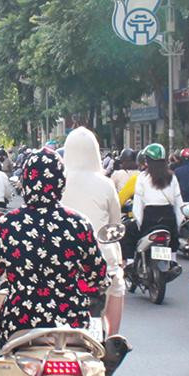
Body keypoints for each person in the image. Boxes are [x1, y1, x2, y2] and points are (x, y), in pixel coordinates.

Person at [0, 149, 110, 353]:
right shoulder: (79, 223)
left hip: (20, 323)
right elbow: (98, 275)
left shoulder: (9, 223)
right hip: (71, 324)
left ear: (26, 182)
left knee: (0, 360)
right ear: (61, 182)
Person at [61, 126, 125, 334]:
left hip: (65, 260)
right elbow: (114, 225)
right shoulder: (106, 184)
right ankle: (114, 338)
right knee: (117, 286)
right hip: (102, 260)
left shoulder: (58, 182)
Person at [131, 142, 184, 251]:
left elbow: (138, 206)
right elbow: (179, 204)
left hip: (149, 219)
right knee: (172, 248)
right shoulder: (172, 177)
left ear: (148, 161)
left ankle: (131, 262)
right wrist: (178, 227)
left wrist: (139, 226)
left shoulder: (142, 177)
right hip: (169, 218)